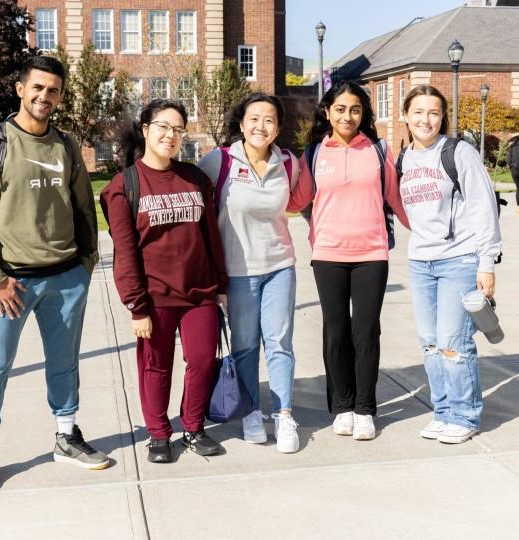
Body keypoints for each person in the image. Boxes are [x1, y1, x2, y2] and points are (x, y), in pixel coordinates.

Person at [0, 56, 107, 496]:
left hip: (65, 278)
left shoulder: (65, 146)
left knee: (65, 364)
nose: (44, 97)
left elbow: (82, 209)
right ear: (20, 89)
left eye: (53, 90)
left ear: (60, 96)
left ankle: (66, 435)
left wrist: (85, 265)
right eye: (37, 88)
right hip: (10, 284)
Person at [100, 99, 229, 464]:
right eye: (162, 126)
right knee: (156, 367)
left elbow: (211, 237)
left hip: (199, 292)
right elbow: (125, 252)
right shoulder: (124, 185)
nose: (170, 135)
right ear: (145, 129)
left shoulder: (195, 178)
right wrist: (136, 305)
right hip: (153, 298)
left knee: (203, 360)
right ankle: (158, 434)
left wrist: (220, 285)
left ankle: (193, 426)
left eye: (177, 129)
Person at [291, 81, 409, 442]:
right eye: (340, 109)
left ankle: (365, 408)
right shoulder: (313, 153)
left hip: (371, 254)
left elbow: (398, 198)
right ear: (327, 111)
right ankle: (342, 406)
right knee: (336, 331)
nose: (347, 115)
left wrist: (433, 233)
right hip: (328, 254)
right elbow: (296, 202)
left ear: (363, 114)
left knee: (366, 331)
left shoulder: (377, 150)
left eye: (355, 109)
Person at [198, 93, 302, 454]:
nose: (261, 126)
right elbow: (198, 214)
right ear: (241, 124)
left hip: (279, 267)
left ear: (278, 127)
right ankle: (251, 412)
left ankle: (284, 413)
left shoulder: (288, 163)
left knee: (280, 343)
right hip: (237, 273)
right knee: (244, 346)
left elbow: (304, 202)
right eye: (254, 119)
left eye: (269, 120)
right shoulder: (219, 161)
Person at [398, 85, 501, 444]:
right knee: (429, 342)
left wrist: (486, 261)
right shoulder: (404, 158)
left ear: (442, 117)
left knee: (453, 342)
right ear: (405, 115)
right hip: (420, 262)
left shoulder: (459, 152)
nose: (426, 119)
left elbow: (483, 207)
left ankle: (465, 415)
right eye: (419, 112)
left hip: (458, 260)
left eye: (434, 113)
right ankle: (442, 412)